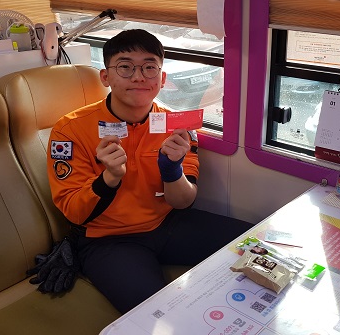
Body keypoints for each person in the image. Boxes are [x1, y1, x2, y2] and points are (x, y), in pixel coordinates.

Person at [46, 29, 253, 314]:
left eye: (149, 67)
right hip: (108, 240)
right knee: (156, 314)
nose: (139, 77)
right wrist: (109, 178)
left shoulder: (176, 126)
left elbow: (183, 202)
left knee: (256, 246)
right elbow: (74, 212)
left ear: (162, 78)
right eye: (125, 67)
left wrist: (171, 170)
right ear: (105, 77)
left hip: (167, 224)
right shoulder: (70, 131)